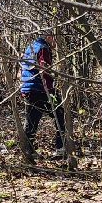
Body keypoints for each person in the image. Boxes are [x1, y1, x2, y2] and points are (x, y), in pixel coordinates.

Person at [19, 32, 66, 163]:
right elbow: (44, 69)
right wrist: (52, 88)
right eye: (56, 38)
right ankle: (61, 148)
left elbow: (22, 68)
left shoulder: (31, 46)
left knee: (32, 121)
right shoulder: (43, 48)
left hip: (28, 89)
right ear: (49, 37)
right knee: (60, 115)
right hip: (40, 89)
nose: (57, 43)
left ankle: (28, 150)